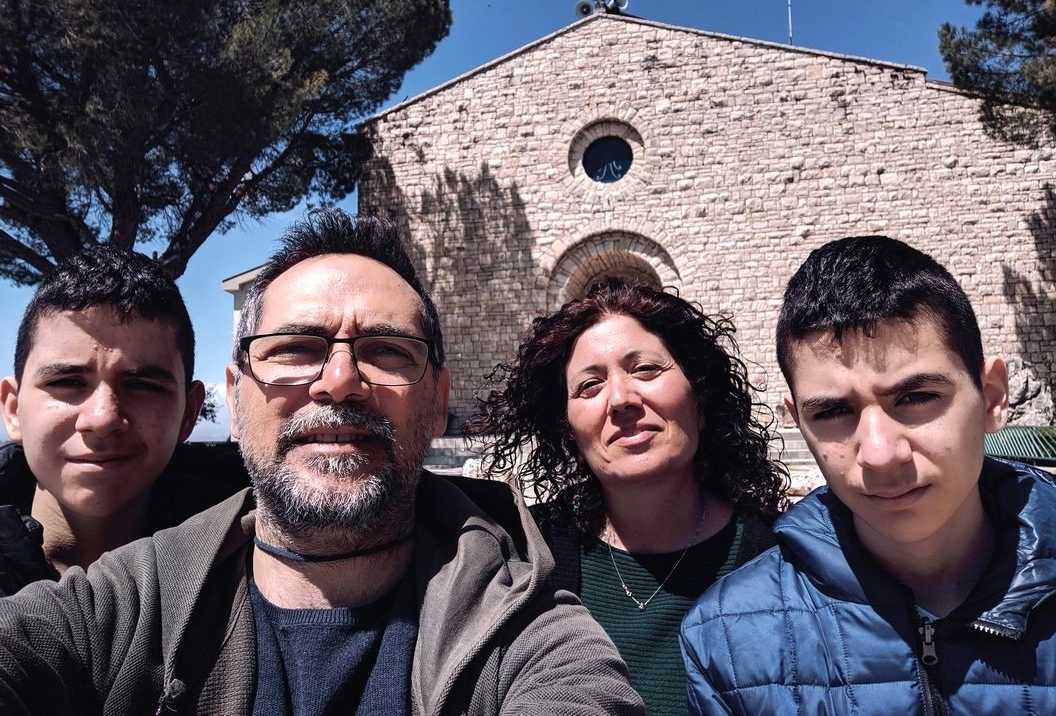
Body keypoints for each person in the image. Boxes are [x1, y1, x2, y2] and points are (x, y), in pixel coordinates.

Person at [0, 210, 643, 715]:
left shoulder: (526, 630)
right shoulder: (123, 605)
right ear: (234, 392)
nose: (339, 380)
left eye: (387, 351)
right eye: (297, 348)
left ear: (440, 397)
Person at [681, 235, 1056, 715]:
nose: (879, 454)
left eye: (917, 397)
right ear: (799, 423)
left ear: (991, 397)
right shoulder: (726, 641)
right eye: (833, 412)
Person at [467, 278, 788, 716]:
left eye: (645, 370)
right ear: (567, 431)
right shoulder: (518, 556)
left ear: (700, 399)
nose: (620, 399)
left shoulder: (784, 561)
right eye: (589, 386)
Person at [0, 246, 225, 595]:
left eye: (142, 386)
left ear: (189, 412)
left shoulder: (249, 571)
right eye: (67, 383)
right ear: (12, 409)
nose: (103, 418)